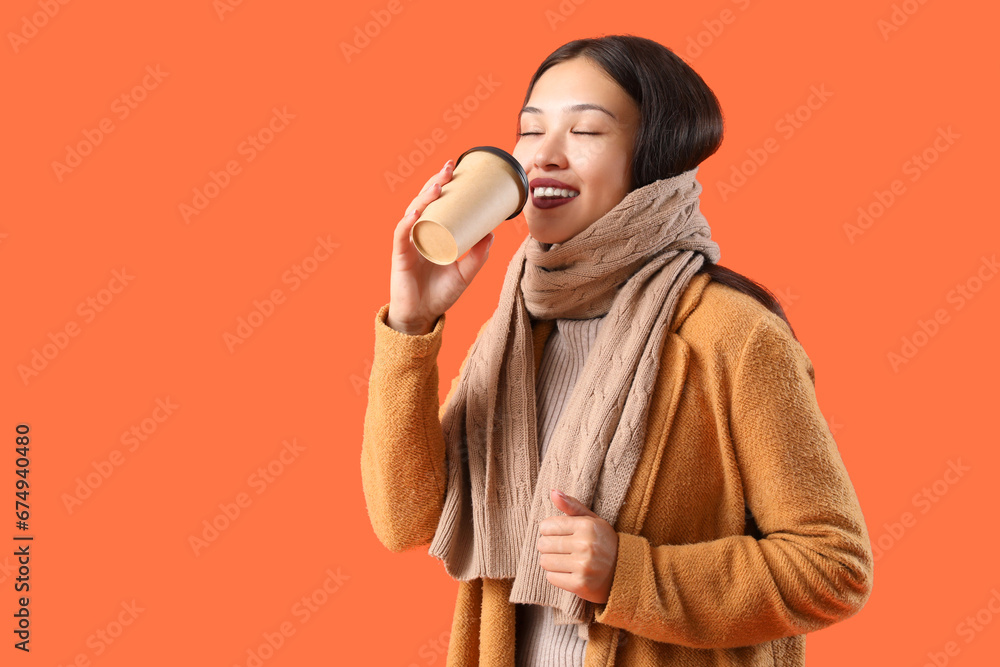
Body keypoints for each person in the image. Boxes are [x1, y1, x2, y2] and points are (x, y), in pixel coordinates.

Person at [362, 34, 874, 667]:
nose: (542, 157)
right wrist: (412, 322)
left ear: (651, 162)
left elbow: (832, 566)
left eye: (587, 132)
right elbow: (404, 521)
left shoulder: (731, 335)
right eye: (530, 131)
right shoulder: (514, 332)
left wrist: (630, 575)